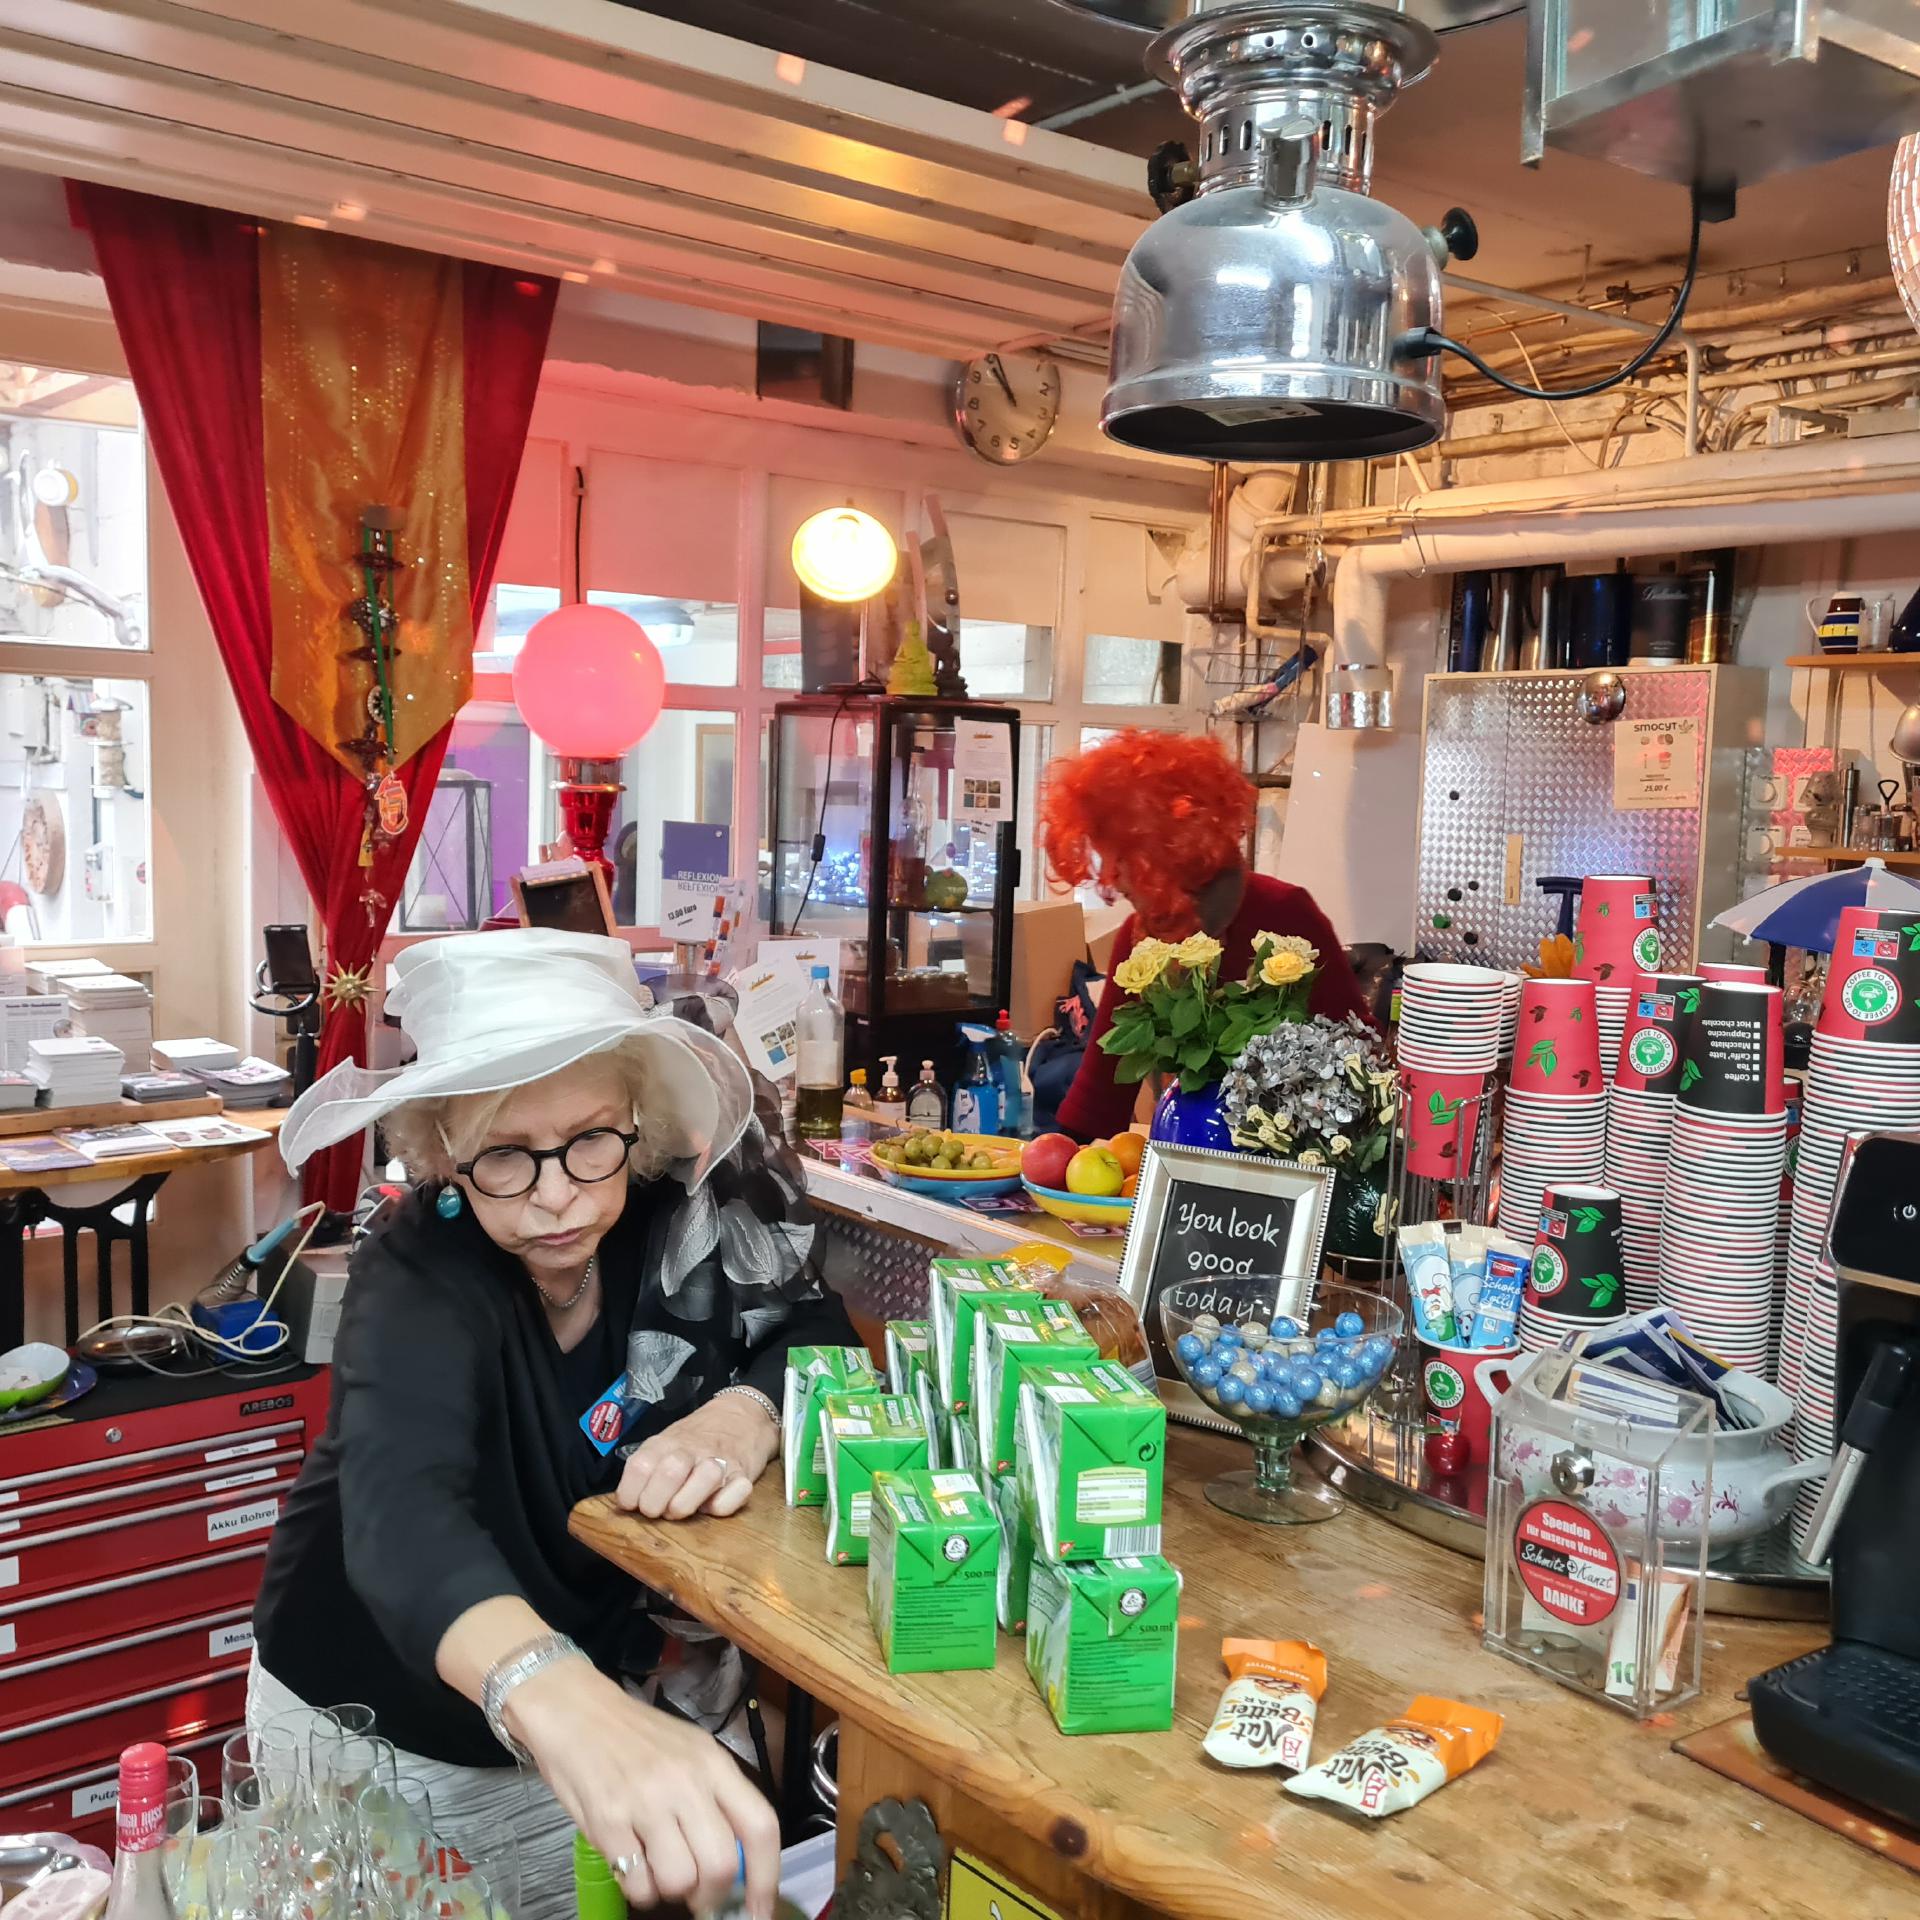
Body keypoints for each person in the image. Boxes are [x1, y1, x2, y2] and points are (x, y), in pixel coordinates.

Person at [252, 930, 858, 1920]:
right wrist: (565, 1700)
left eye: (589, 1140)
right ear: (444, 1151)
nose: (556, 1195)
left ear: (636, 1118)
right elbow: (403, 1517)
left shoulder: (680, 1213)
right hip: (387, 1727)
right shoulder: (415, 1269)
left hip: (586, 1709)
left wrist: (743, 1414)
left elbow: (817, 1333)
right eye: (504, 1155)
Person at [1040, 729, 1373, 1142]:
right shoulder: (1140, 938)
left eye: (1120, 859)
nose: (1112, 879)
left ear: (1164, 849)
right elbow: (1099, 1096)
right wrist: (1053, 1160)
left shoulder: (1284, 913)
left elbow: (1361, 1057)